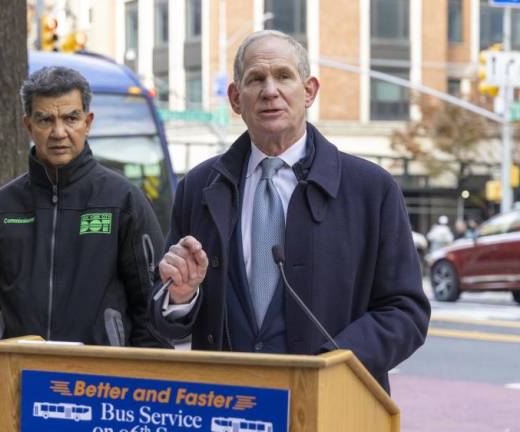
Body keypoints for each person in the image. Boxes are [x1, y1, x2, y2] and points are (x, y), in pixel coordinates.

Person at [148, 30, 430, 393]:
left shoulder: (371, 189)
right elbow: (165, 318)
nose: (270, 91)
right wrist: (180, 296)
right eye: (255, 79)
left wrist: (334, 363)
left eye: (283, 76)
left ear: (309, 91)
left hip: (331, 401)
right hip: (225, 403)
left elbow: (405, 311)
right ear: (235, 98)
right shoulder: (199, 187)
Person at [0, 66, 166, 431]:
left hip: (105, 399)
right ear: (28, 125)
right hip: (12, 397)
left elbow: (152, 304)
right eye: (45, 119)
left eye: (70, 117)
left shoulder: (124, 201)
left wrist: (139, 390)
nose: (59, 132)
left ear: (88, 121)